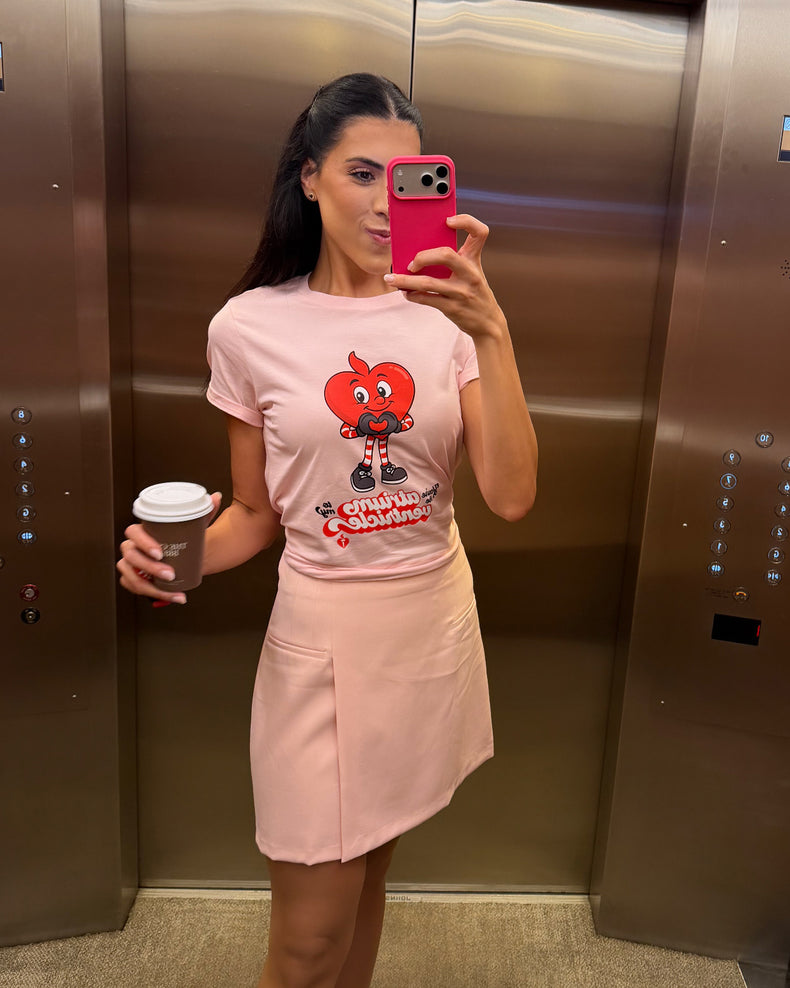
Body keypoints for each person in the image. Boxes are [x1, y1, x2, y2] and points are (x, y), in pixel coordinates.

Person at [118, 72, 537, 988]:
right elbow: (254, 516)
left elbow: (509, 495)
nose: (387, 204)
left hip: (429, 625)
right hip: (320, 642)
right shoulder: (248, 327)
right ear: (308, 178)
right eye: (359, 175)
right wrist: (173, 559)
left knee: (371, 872)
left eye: (407, 179)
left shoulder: (452, 318)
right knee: (306, 942)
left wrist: (492, 330)